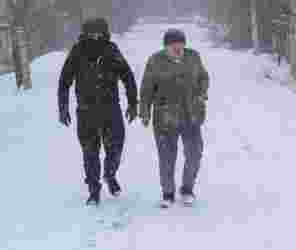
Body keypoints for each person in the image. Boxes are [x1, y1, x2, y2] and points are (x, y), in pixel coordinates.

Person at [58, 18, 138, 206]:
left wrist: (133, 103)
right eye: (91, 34)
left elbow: (127, 76)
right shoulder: (77, 52)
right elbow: (64, 81)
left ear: (105, 33)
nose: (95, 37)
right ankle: (94, 189)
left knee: (116, 147)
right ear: (84, 34)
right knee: (90, 152)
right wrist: (63, 108)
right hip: (86, 111)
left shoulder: (111, 50)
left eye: (99, 33)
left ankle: (110, 174)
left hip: (110, 108)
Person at [139, 28, 210, 208]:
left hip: (190, 115)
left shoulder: (193, 57)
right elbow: (146, 88)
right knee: (167, 158)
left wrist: (202, 94)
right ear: (166, 47)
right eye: (173, 45)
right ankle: (168, 193)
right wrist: (144, 111)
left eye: (180, 44)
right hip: (165, 118)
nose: (177, 47)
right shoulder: (155, 61)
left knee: (194, 154)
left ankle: (187, 189)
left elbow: (203, 77)